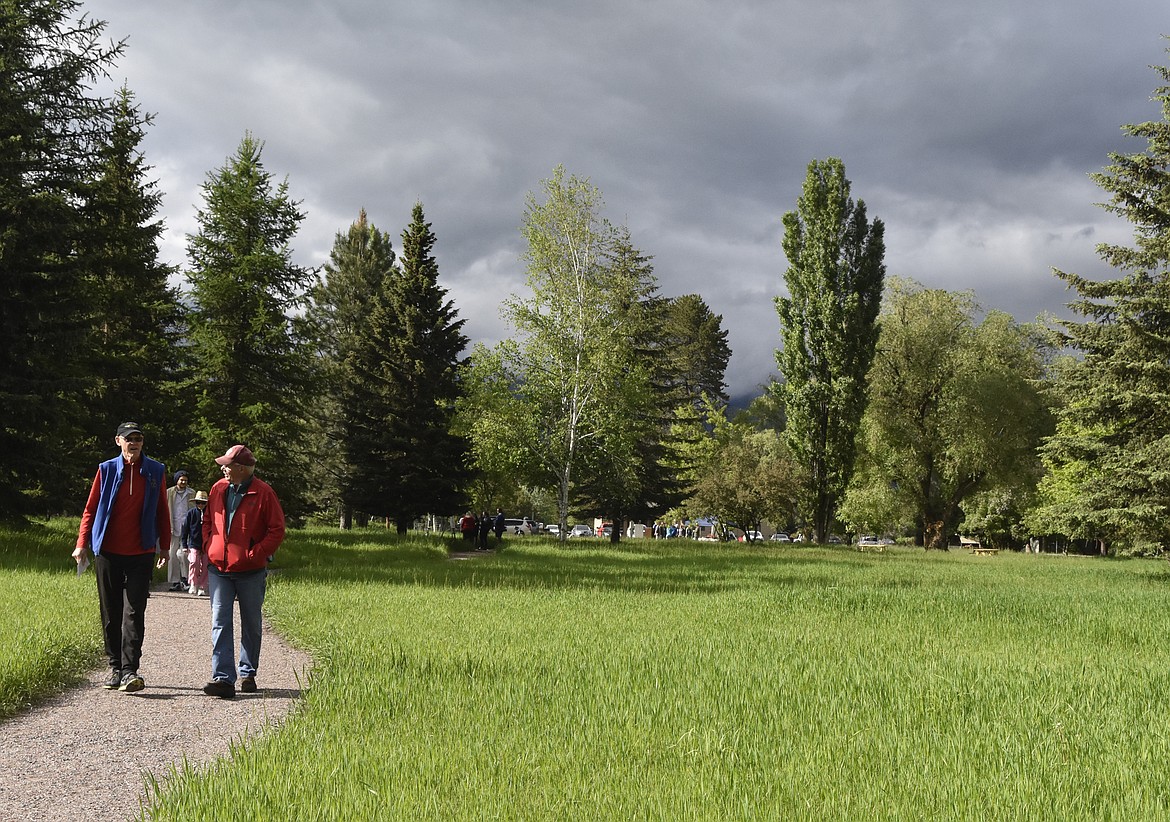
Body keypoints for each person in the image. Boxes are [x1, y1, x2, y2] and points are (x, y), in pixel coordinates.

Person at [73, 421, 170, 693]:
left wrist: (164, 547)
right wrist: (82, 544)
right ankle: (115, 666)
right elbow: (90, 510)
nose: (134, 443)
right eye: (129, 439)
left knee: (134, 610)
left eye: (138, 438)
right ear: (119, 441)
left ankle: (130, 670)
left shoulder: (155, 470)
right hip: (108, 552)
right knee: (111, 611)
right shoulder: (105, 470)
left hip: (141, 552)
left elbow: (162, 510)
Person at [201, 445, 286, 699]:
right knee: (219, 621)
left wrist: (256, 554)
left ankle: (248, 672)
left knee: (251, 622)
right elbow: (207, 520)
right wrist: (208, 544)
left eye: (227, 464)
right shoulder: (218, 489)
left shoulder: (264, 493)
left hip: (250, 570)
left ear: (241, 468)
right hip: (219, 568)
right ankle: (223, 678)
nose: (223, 468)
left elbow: (276, 530)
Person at [166, 470, 193, 591]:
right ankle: (175, 581)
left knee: (184, 554)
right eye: (181, 480)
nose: (183, 482)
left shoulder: (191, 493)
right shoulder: (169, 492)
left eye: (185, 480)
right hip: (173, 526)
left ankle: (186, 578)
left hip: (187, 528)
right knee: (172, 555)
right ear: (177, 480)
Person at [183, 490, 209, 596]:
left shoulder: (210, 514)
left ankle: (202, 586)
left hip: (207, 544)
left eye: (203, 503)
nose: (200, 505)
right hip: (194, 543)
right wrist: (184, 545)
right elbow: (185, 530)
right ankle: (193, 583)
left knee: (206, 564)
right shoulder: (191, 513)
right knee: (194, 563)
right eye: (198, 502)